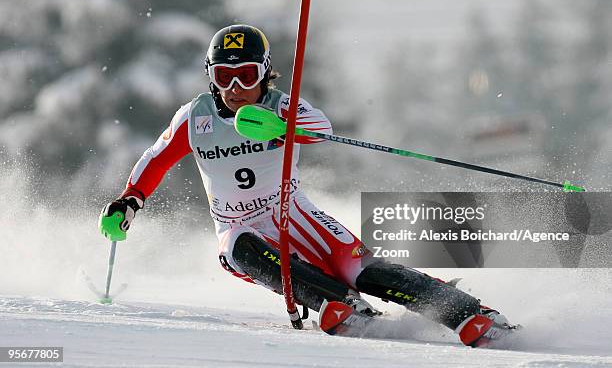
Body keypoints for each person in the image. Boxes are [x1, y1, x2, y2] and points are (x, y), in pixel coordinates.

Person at [99, 24, 515, 347]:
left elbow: (321, 128)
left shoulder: (279, 103)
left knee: (364, 270)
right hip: (237, 226)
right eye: (225, 77)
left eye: (245, 76)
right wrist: (128, 202)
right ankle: (337, 304)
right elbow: (156, 158)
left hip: (293, 212)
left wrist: (284, 129)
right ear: (211, 77)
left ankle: (471, 314)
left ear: (264, 73)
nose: (235, 90)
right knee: (241, 247)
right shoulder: (196, 117)